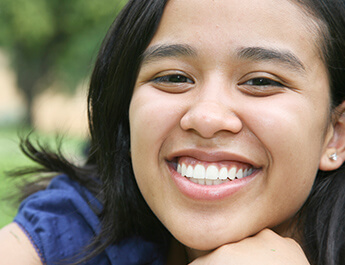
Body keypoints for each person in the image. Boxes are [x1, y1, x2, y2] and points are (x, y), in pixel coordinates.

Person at [1, 0, 345, 264]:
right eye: (174, 77)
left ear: (336, 134)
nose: (206, 117)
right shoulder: (77, 226)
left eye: (261, 82)